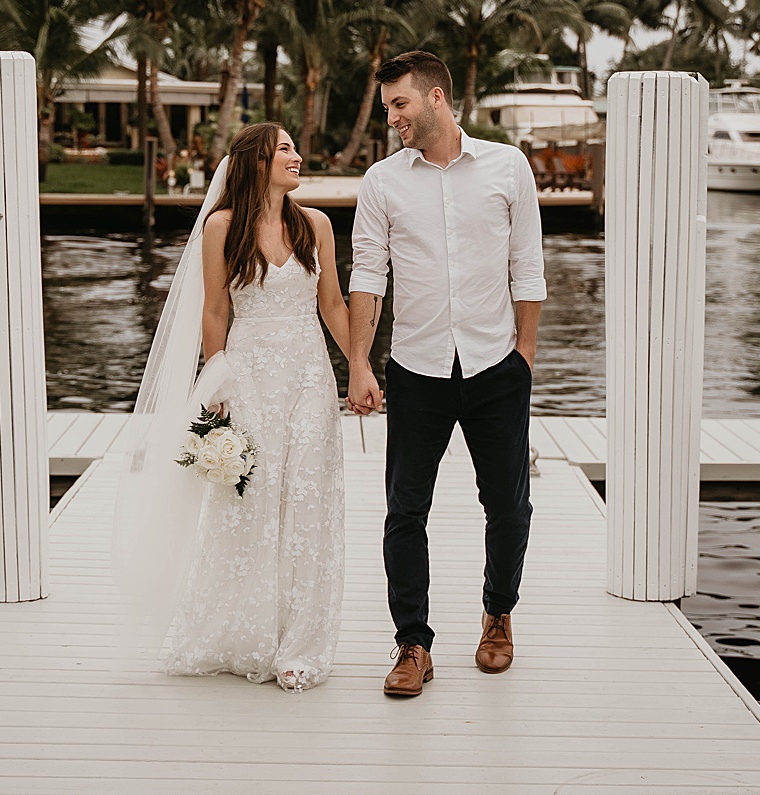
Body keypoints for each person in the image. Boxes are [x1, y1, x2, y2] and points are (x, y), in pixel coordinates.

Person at [114, 121, 351, 693]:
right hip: (248, 376)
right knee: (250, 502)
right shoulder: (222, 228)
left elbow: (334, 304)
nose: (297, 156)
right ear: (256, 163)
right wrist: (216, 380)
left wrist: (361, 369)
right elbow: (215, 311)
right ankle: (247, 634)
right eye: (285, 149)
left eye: (296, 147)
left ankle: (299, 644)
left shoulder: (315, 225)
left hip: (309, 377)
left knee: (307, 499)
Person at [346, 50, 546, 698]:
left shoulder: (508, 167)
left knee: (509, 506)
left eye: (399, 104)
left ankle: (497, 613)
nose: (392, 118)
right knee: (405, 510)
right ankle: (413, 643)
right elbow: (368, 278)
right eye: (387, 109)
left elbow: (530, 267)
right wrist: (357, 364)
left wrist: (526, 359)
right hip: (416, 367)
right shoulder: (382, 182)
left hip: (496, 365)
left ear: (436, 98)